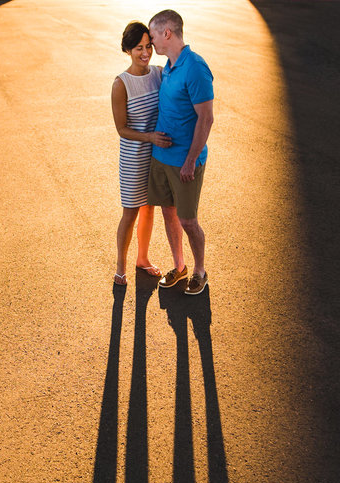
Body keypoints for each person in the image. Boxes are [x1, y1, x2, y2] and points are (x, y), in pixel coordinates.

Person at [147, 9, 213, 295]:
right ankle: (179, 266)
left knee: (188, 220)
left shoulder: (195, 68)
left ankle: (199, 271)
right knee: (169, 214)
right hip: (161, 158)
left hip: (185, 162)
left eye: (152, 36)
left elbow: (206, 118)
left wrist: (190, 161)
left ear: (167, 33)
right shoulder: (170, 67)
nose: (150, 43)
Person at [111, 22, 173, 286]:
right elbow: (122, 129)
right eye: (139, 48)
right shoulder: (121, 84)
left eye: (149, 46)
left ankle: (143, 258)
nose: (146, 52)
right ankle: (120, 266)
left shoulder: (159, 73)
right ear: (128, 49)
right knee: (131, 212)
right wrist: (149, 137)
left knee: (150, 209)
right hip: (134, 158)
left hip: (157, 156)